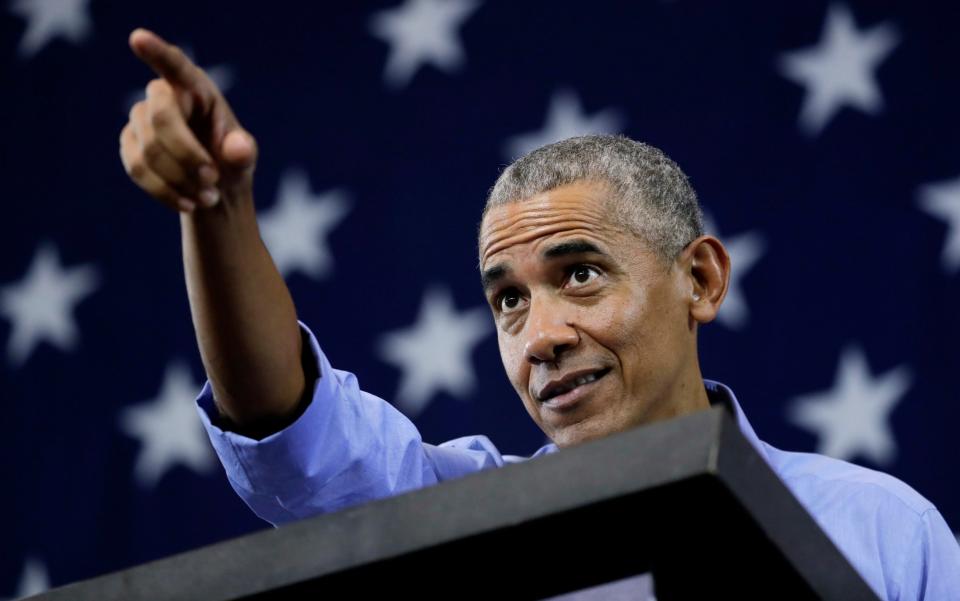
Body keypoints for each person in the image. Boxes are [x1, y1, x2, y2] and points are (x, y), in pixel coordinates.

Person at [119, 28, 960, 600]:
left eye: (582, 274)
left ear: (700, 280)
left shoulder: (882, 527)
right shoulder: (462, 525)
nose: (542, 336)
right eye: (507, 301)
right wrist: (217, 209)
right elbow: (293, 433)